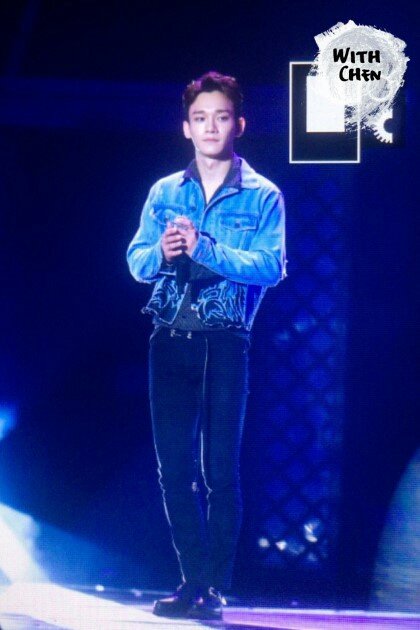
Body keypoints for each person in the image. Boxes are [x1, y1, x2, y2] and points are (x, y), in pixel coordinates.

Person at [126, 70, 287, 620]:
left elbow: (270, 266)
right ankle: (192, 581)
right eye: (200, 118)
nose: (210, 127)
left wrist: (206, 249)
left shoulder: (263, 195)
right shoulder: (164, 192)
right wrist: (163, 253)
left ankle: (214, 588)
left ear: (238, 124)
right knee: (173, 469)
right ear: (186, 128)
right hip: (169, 340)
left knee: (220, 470)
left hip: (225, 344)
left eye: (221, 117)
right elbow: (136, 261)